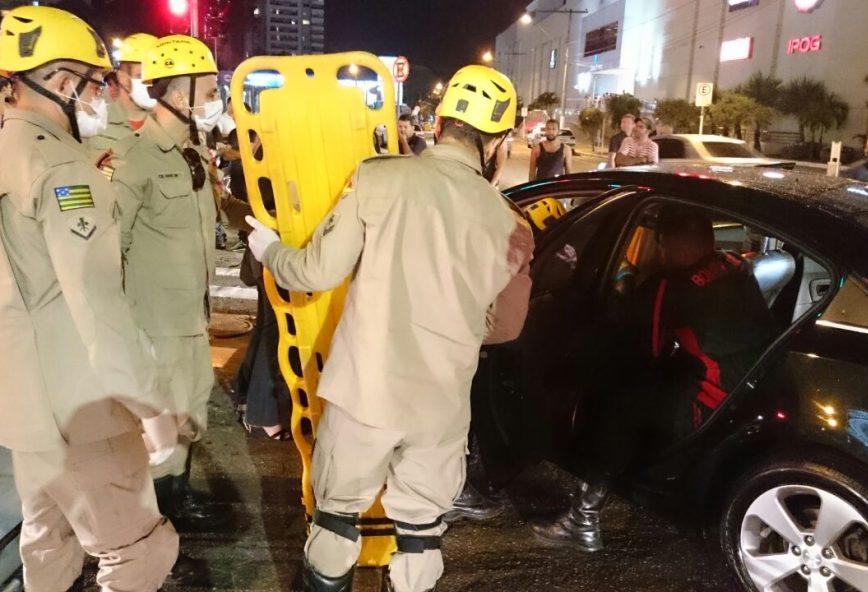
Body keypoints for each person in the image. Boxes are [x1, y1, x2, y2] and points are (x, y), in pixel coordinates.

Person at [246, 64, 534, 592]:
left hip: (365, 394)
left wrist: (271, 252)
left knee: (335, 522)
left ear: (442, 120)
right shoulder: (511, 222)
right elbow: (505, 328)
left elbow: (316, 272)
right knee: (422, 535)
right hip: (441, 407)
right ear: (497, 143)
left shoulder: (379, 176)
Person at [0, 6, 179, 591]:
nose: (103, 95)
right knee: (140, 550)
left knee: (48, 537)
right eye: (95, 82)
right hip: (78, 403)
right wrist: (148, 404)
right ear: (55, 83)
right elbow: (95, 303)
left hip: (21, 400)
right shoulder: (60, 169)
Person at [531, 206, 777, 553]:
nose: (658, 254)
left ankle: (582, 520)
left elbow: (646, 349)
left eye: (660, 246)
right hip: (755, 381)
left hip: (711, 399)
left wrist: (625, 287)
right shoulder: (734, 265)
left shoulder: (671, 288)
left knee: (619, 405)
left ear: (673, 245)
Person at [110, 34, 222, 529]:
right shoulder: (138, 159)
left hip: (192, 314)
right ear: (179, 96)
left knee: (192, 412)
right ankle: (155, 522)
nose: (214, 95)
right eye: (209, 87)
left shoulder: (190, 151)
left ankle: (177, 501)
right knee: (161, 423)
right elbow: (114, 244)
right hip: (156, 322)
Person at [88, 33, 157, 162]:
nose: (152, 84)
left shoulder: (167, 126)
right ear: (123, 78)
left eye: (156, 77)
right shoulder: (95, 126)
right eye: (142, 76)